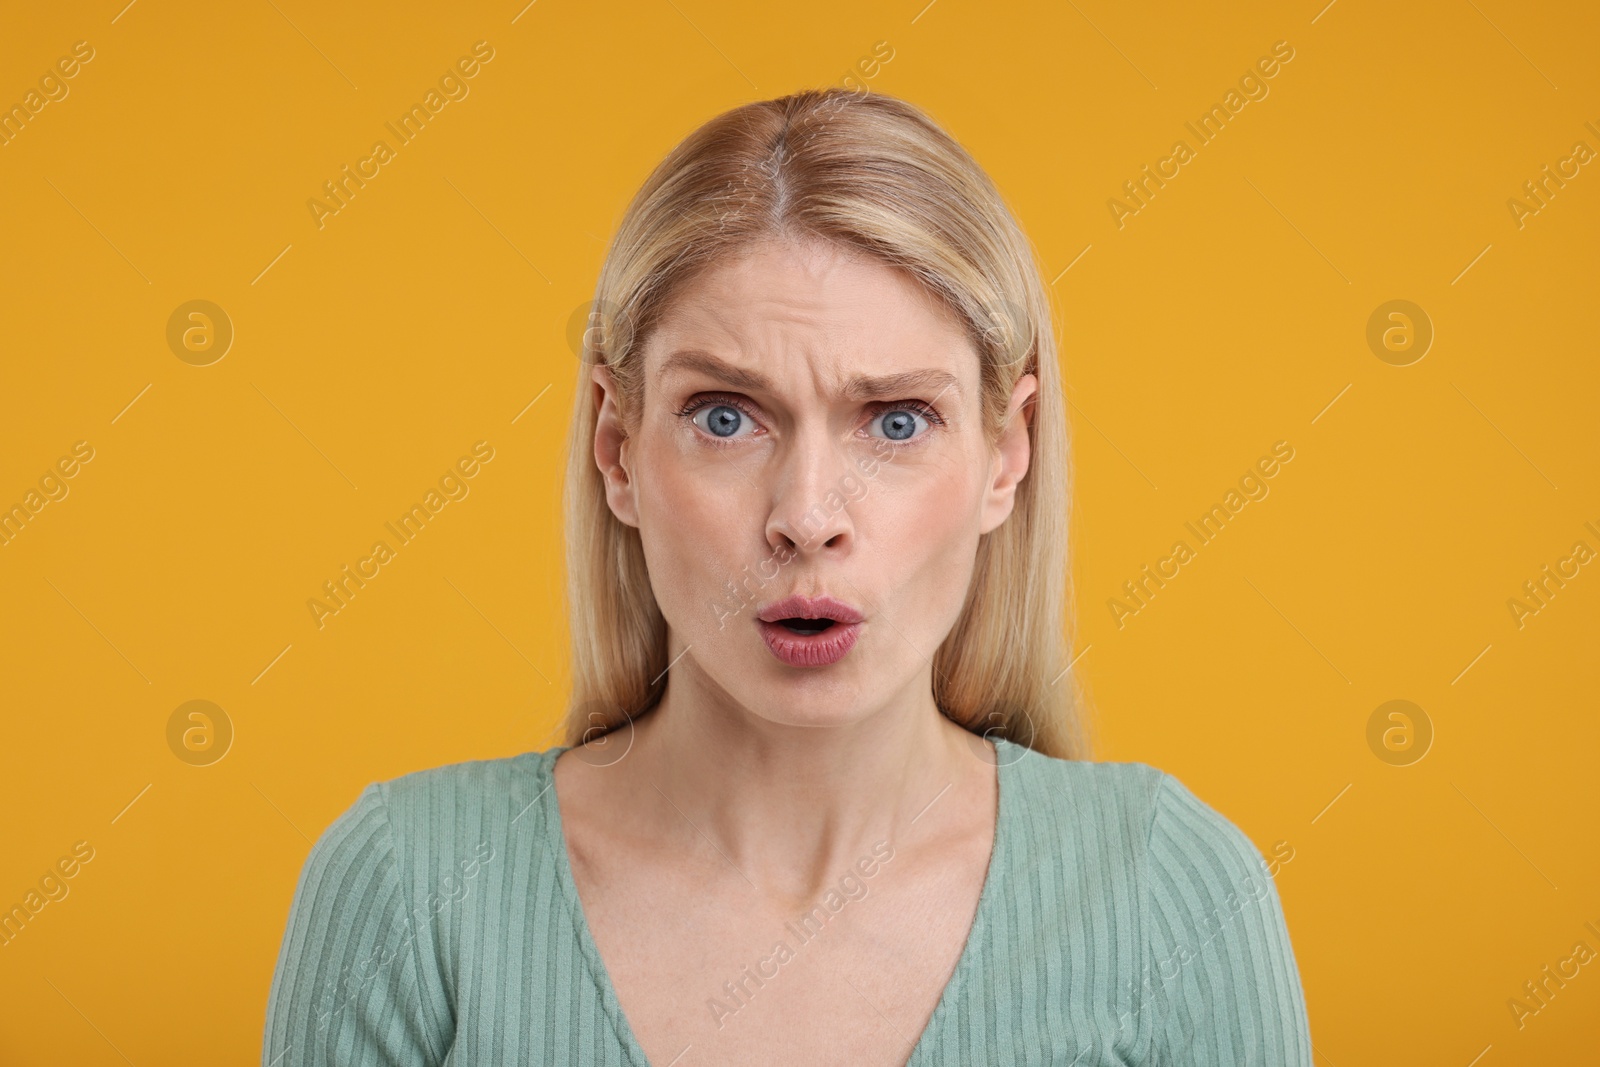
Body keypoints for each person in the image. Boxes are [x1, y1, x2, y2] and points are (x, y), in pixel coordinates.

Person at [262, 86, 1312, 1066]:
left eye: (896, 420)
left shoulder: (1175, 895)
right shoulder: (406, 893)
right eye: (725, 416)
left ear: (1007, 454)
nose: (806, 517)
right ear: (616, 449)